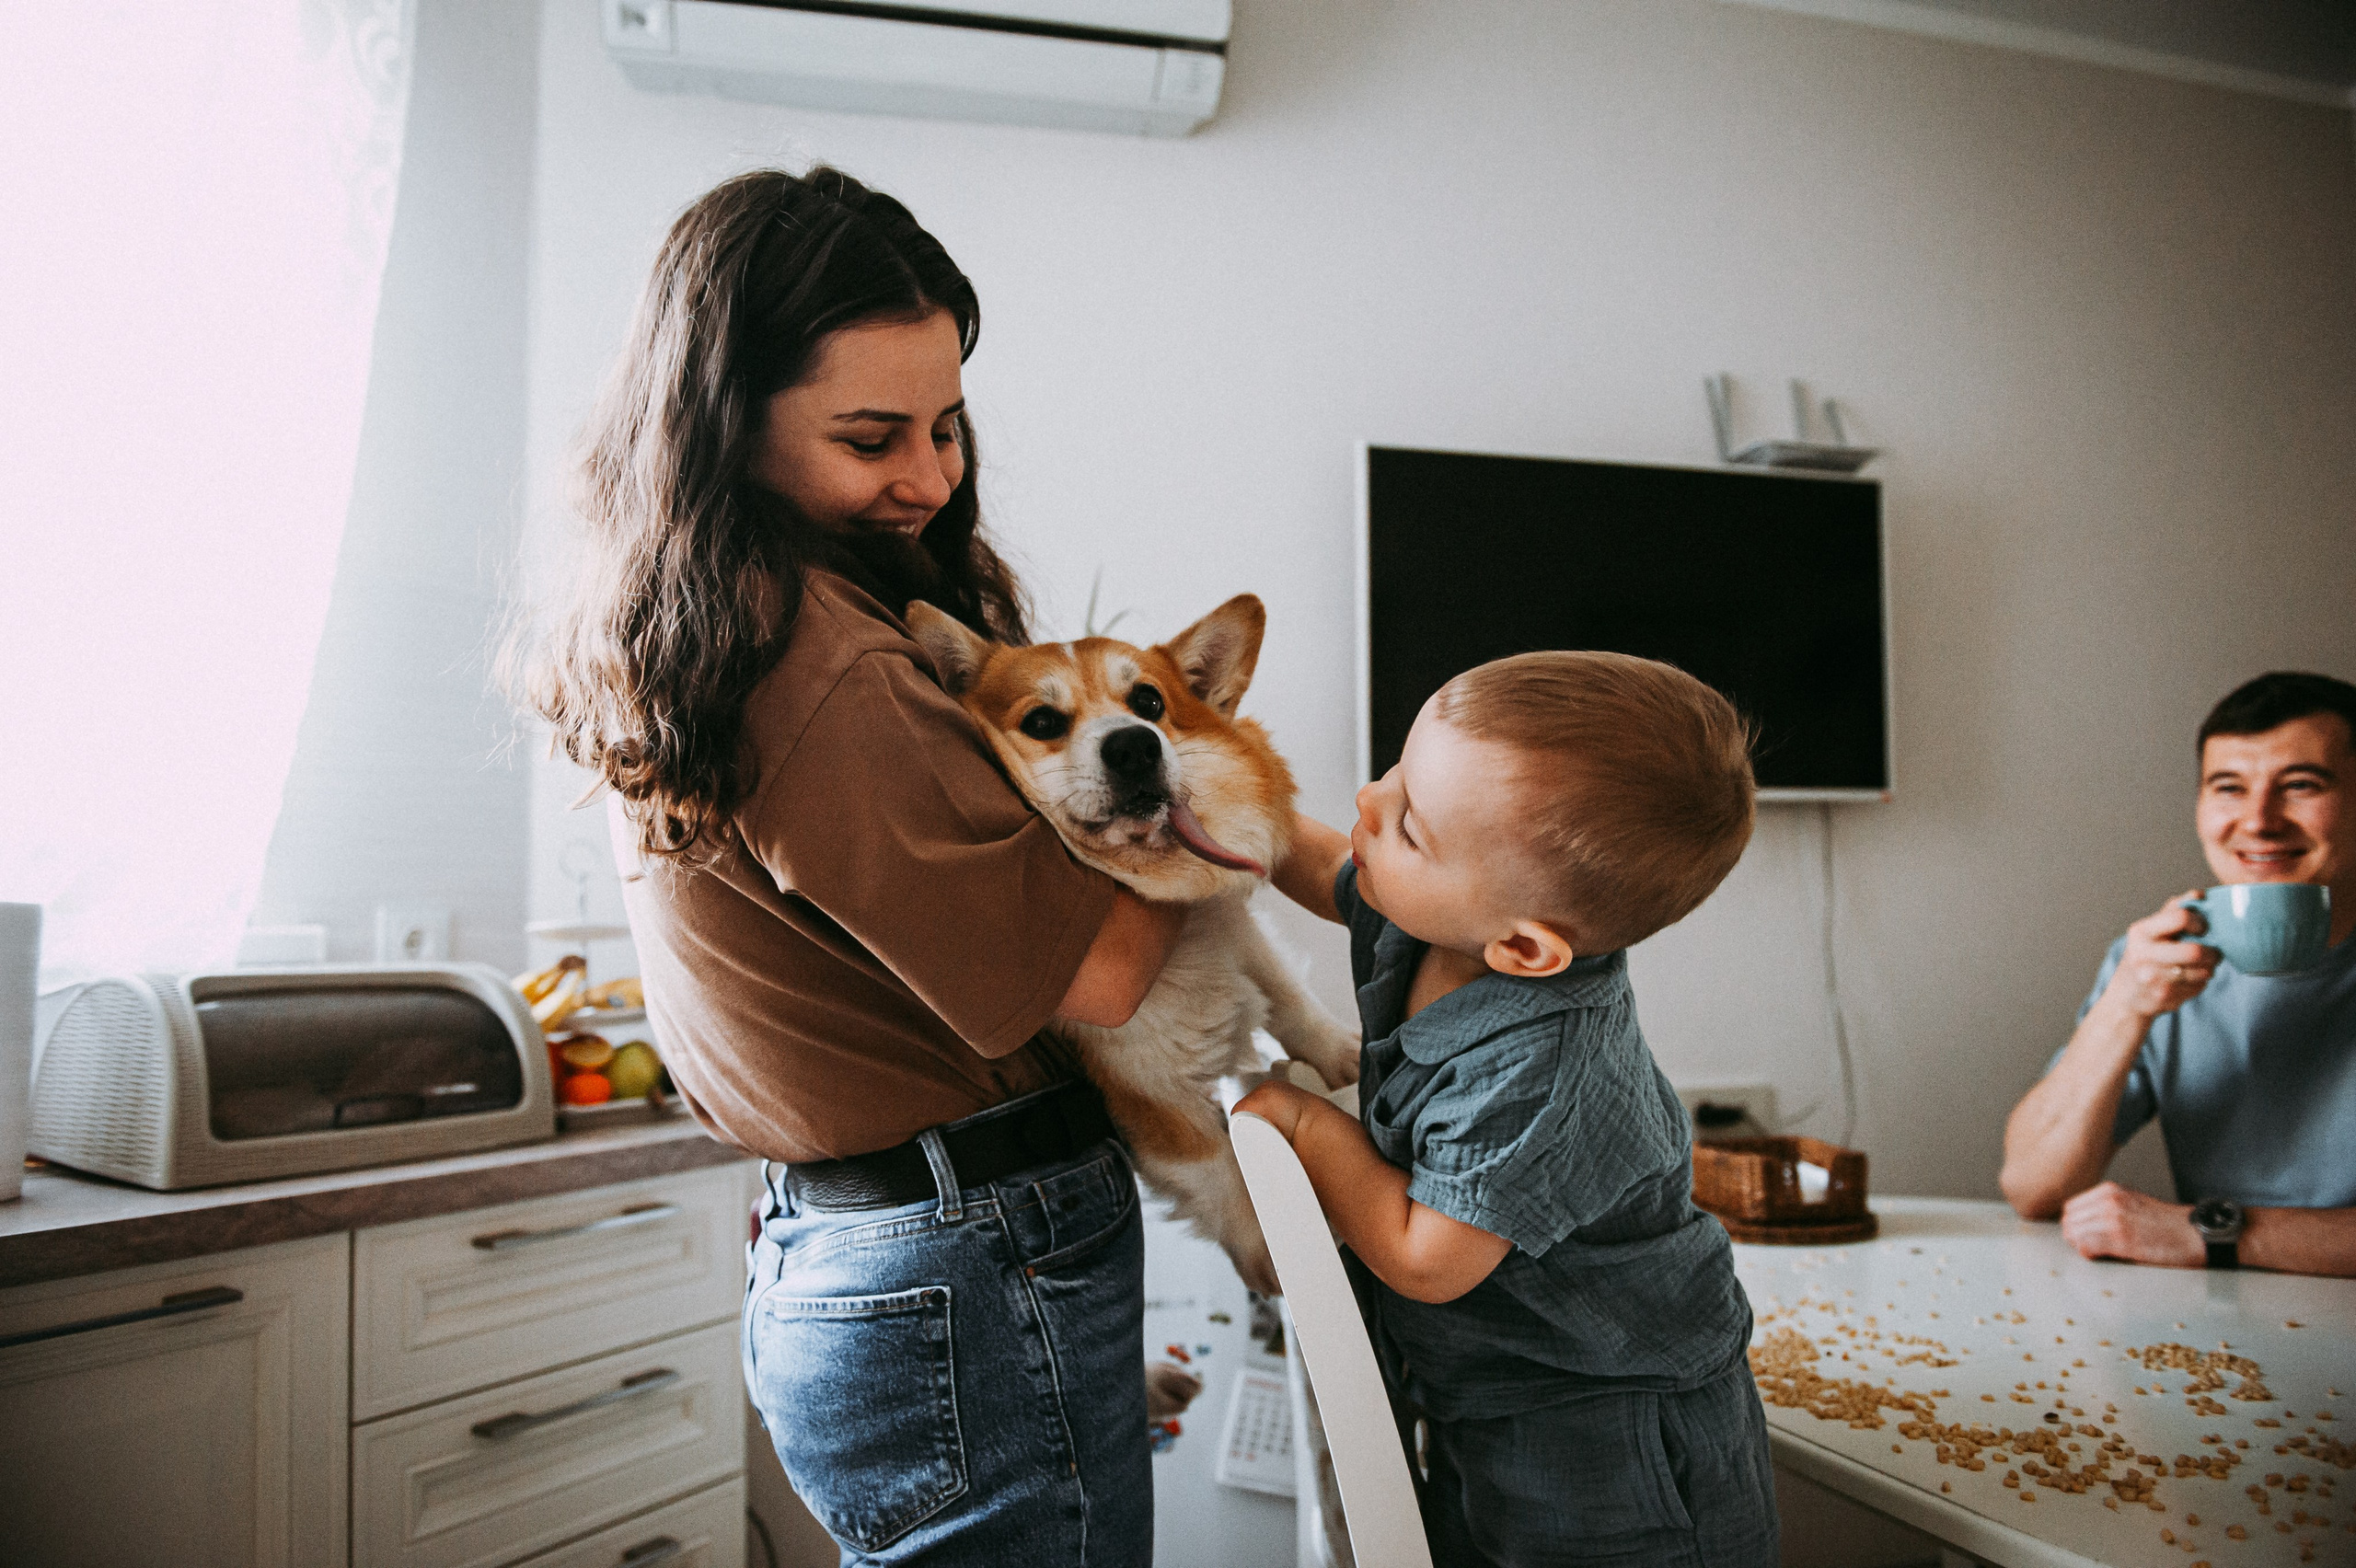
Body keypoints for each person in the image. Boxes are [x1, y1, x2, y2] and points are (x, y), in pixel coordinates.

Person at [519, 168, 1185, 1564]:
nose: (933, 478)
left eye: (948, 426)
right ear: (722, 422)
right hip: (966, 1254)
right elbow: (1113, 971)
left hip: (858, 1253)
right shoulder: (823, 661)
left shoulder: (689, 622)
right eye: (873, 435)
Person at [1236, 651, 1777, 1566]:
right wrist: (1215, 796)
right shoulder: (1444, 911)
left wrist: (1301, 1124)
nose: (1367, 802)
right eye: (1396, 773)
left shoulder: (1537, 1073)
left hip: (1614, 1436)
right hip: (1491, 1390)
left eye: (1407, 822)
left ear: (1526, 950)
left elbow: (1424, 1259)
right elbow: (1324, 856)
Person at [2001, 671, 2356, 1279]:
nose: (2259, 820)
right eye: (2229, 788)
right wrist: (2126, 1006)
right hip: (2225, 1335)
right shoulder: (2156, 961)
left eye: (2300, 785)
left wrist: (2212, 1231)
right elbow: (2032, 1186)